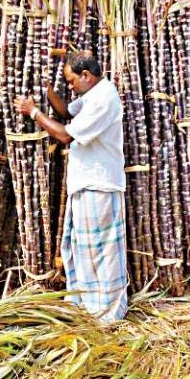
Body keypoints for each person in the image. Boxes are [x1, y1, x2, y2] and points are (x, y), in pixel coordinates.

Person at [13, 50, 128, 323]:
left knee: (102, 252)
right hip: (88, 184)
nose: (71, 86)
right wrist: (47, 88)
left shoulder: (104, 99)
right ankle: (90, 307)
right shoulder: (93, 95)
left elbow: (65, 134)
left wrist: (33, 112)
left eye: (71, 81)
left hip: (100, 185)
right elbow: (65, 112)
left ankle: (107, 313)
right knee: (82, 249)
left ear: (86, 75)